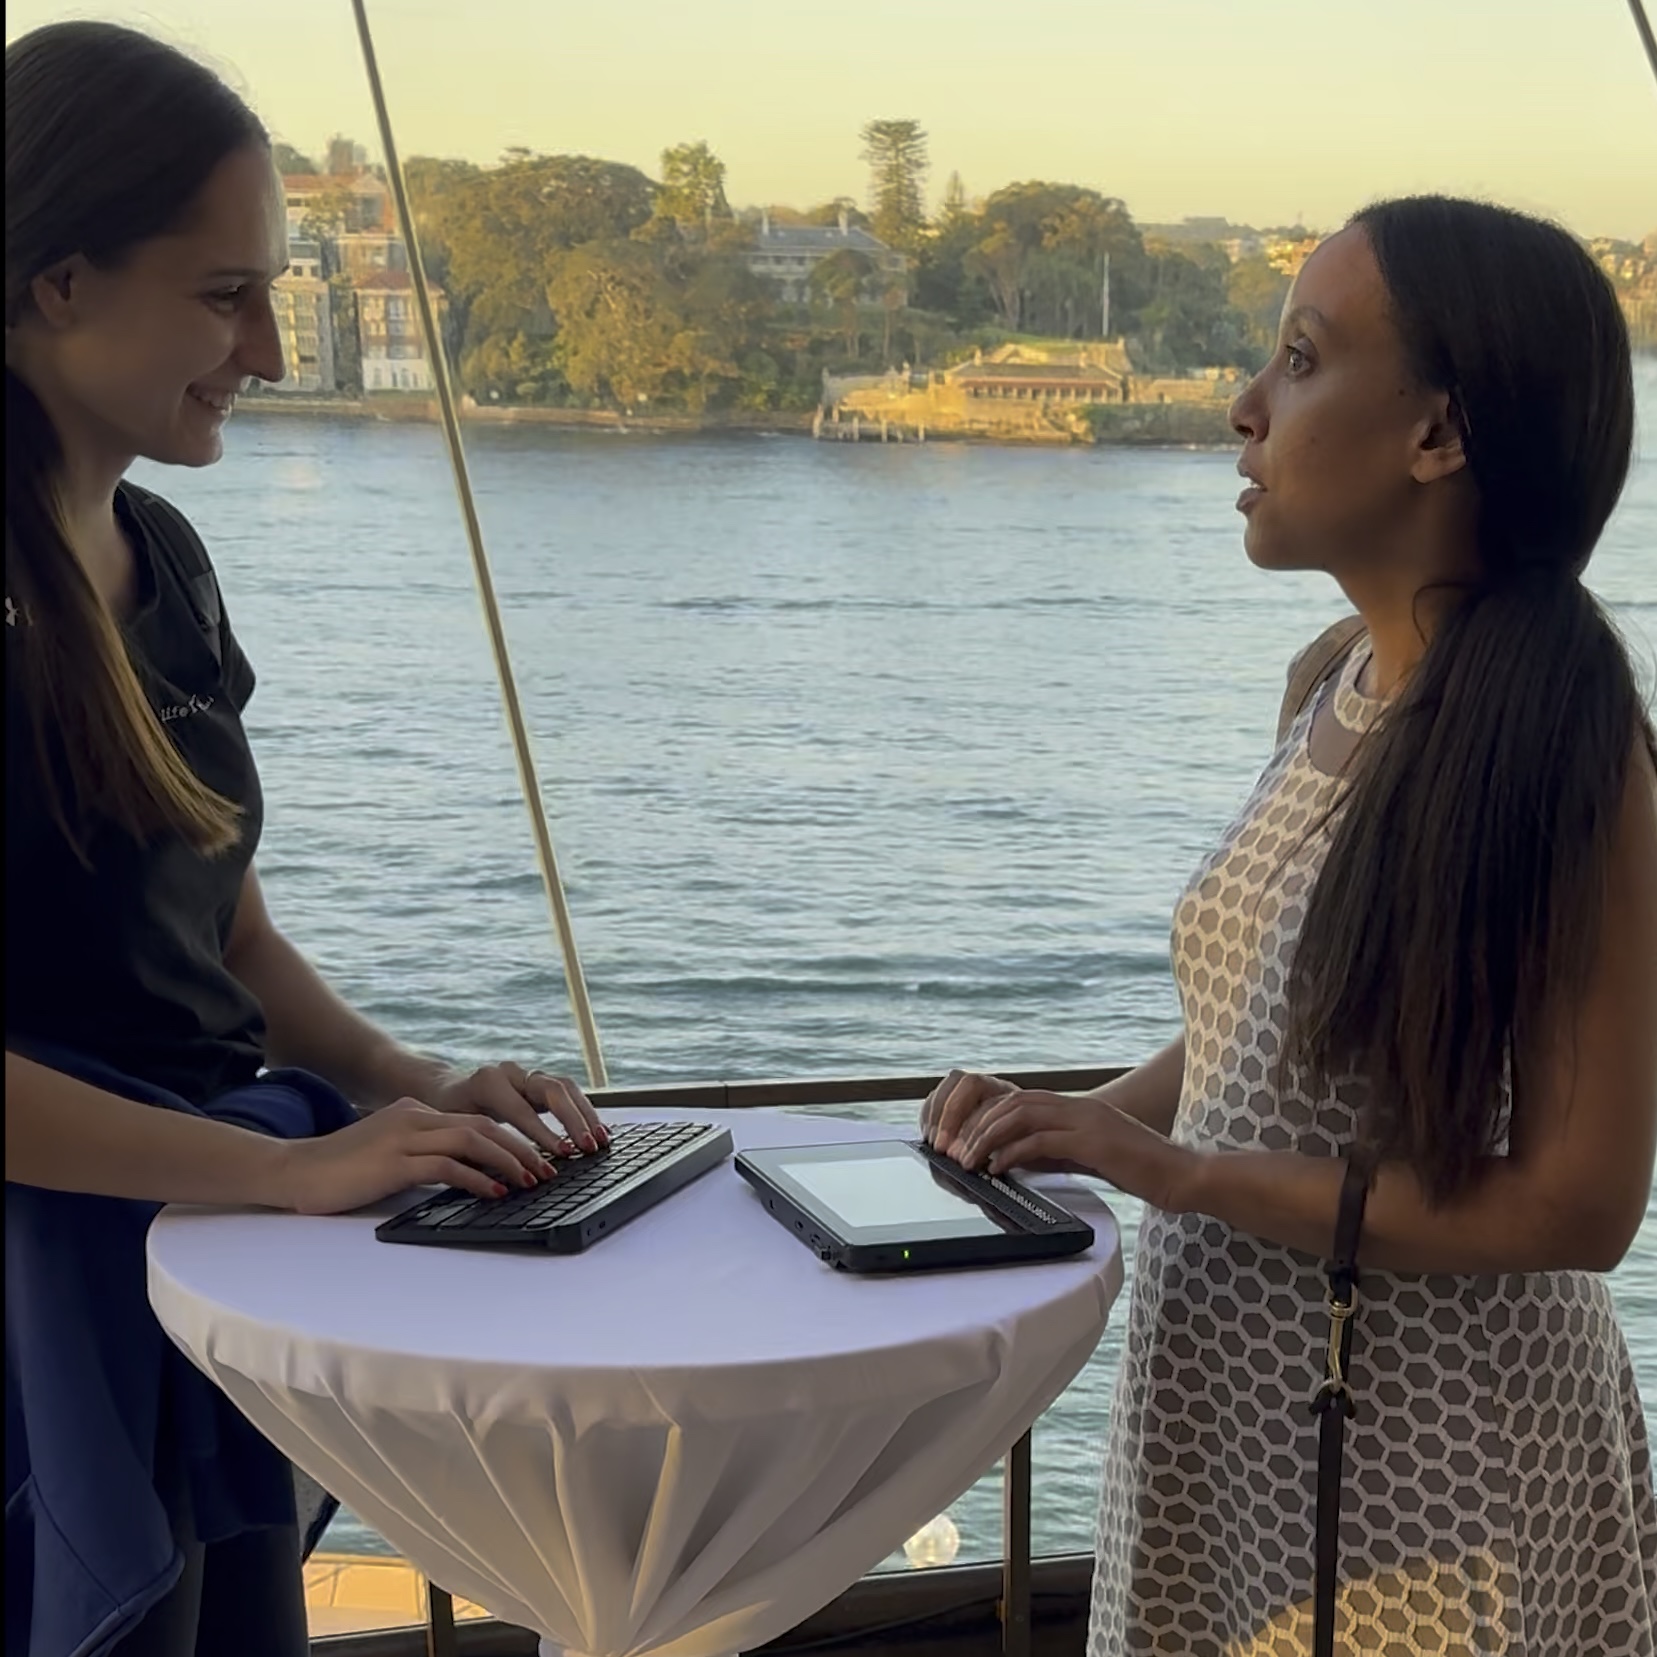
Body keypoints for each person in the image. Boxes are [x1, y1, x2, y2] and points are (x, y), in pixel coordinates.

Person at [925, 197, 1657, 1655]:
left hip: (1437, 1463)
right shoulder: (1331, 675)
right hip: (1239, 1410)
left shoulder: (1572, 753)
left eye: (1301, 360)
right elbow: (1260, 1023)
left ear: (1437, 434)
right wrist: (1077, 1118)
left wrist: (1174, 1171)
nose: (1245, 409)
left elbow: (1578, 1206)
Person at [5, 22, 605, 1657]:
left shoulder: (166, 561)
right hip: (46, 1295)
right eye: (223, 296)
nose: (270, 350)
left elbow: (232, 944)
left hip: (199, 1259)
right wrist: (286, 1170)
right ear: (58, 283)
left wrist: (418, 1090)